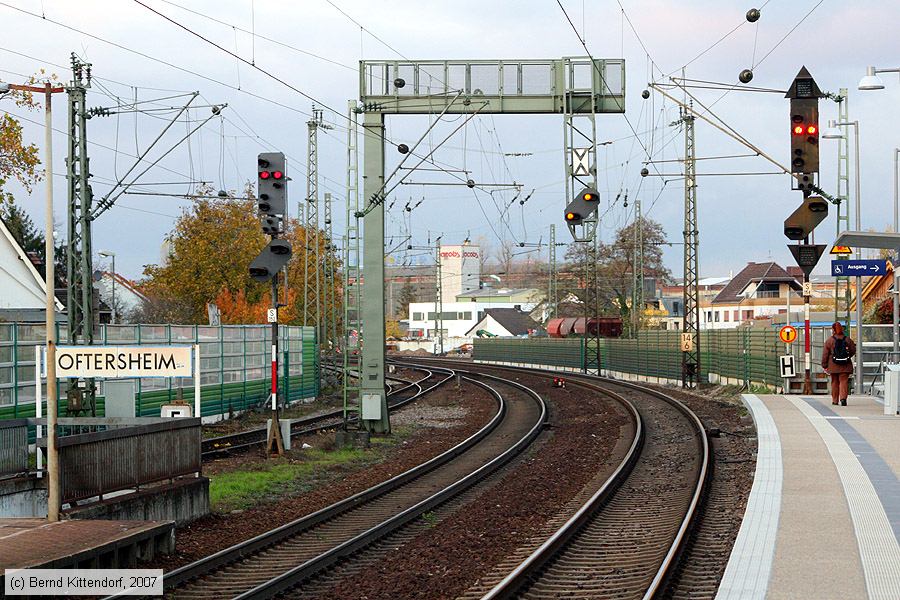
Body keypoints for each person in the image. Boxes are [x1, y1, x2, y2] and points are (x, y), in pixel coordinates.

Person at [821, 321, 856, 406]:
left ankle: (835, 400)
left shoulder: (829, 341)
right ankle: (843, 399)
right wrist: (847, 357)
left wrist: (824, 365)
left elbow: (825, 354)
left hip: (833, 365)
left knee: (834, 382)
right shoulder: (848, 339)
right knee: (844, 381)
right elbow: (853, 350)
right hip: (845, 364)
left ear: (833, 330)